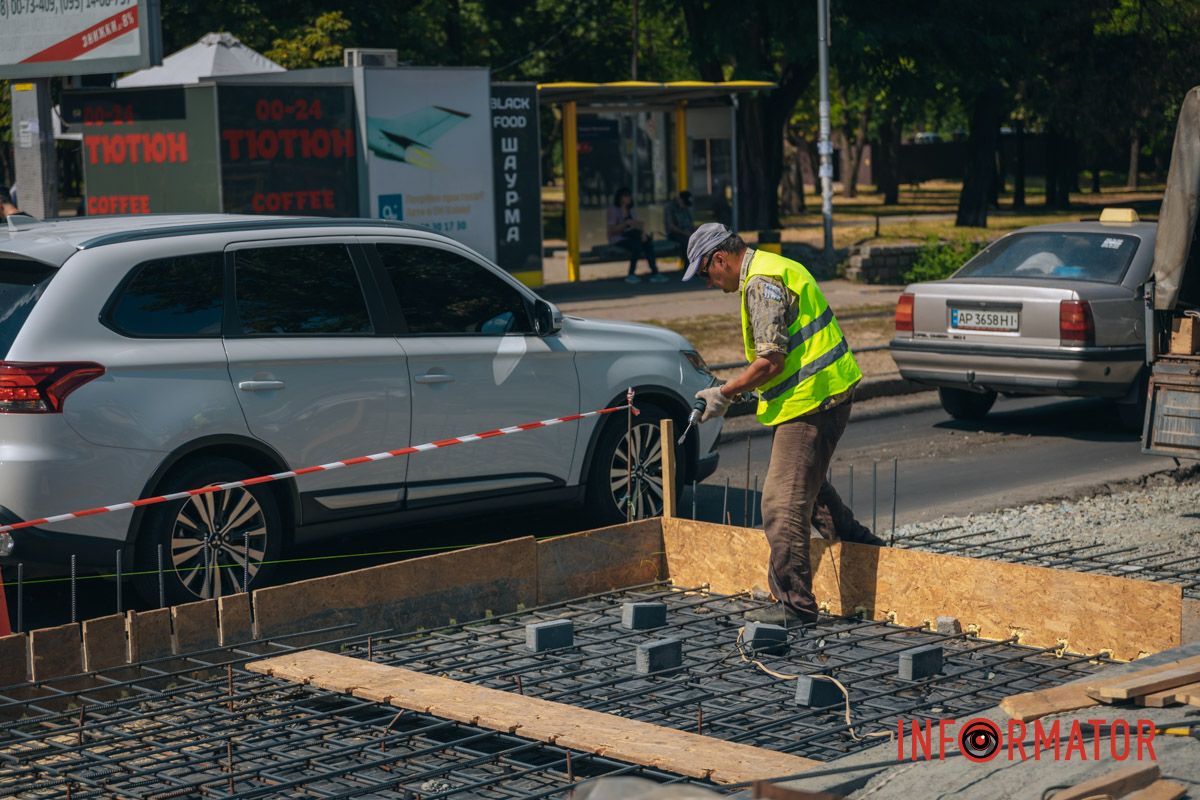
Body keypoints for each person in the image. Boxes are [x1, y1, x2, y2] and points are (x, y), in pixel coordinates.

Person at [683, 222, 886, 627]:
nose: (708, 282)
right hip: (818, 395)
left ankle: (795, 607)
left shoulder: (761, 282)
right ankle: (870, 550)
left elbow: (771, 360)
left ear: (720, 259)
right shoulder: (770, 269)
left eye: (705, 273)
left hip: (813, 402)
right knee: (810, 492)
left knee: (780, 504)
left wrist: (725, 392)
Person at [607, 187, 667, 284]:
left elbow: (637, 225)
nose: (629, 198)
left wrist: (643, 234)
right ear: (620, 198)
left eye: (629, 196)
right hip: (619, 237)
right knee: (637, 247)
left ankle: (655, 272)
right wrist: (626, 223)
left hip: (633, 235)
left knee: (648, 242)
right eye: (626, 196)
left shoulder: (631, 209)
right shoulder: (613, 210)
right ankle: (631, 274)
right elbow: (612, 229)